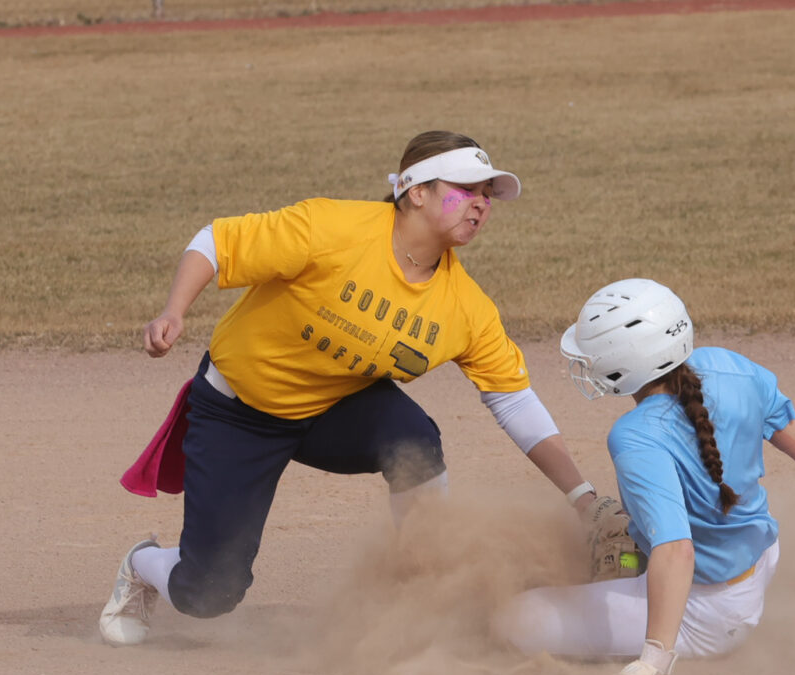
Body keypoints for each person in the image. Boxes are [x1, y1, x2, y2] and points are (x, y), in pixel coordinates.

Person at [99, 131, 615, 646]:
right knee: (208, 593)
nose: (479, 204)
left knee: (413, 439)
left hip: (333, 409)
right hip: (240, 411)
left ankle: (423, 583)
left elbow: (513, 398)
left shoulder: (465, 307)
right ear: (416, 191)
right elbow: (216, 241)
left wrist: (580, 496)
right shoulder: (333, 229)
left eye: (487, 195)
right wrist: (174, 311)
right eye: (464, 189)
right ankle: (144, 564)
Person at [491, 278, 795, 675]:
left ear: (622, 363)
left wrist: (653, 660)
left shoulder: (635, 435)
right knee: (631, 544)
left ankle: (666, 636)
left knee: (516, 619)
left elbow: (676, 550)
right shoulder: (731, 366)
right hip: (762, 560)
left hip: (709, 612)